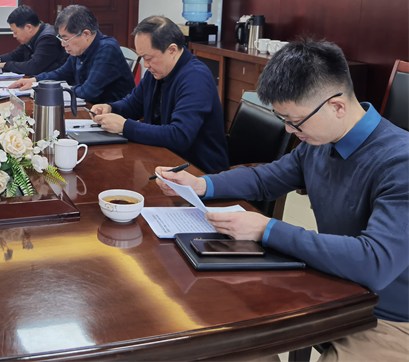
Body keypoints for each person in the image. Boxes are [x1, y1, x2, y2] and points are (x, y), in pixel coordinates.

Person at [155, 40, 409, 361]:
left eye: (295, 121)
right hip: (333, 285)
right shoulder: (320, 142)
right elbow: (266, 178)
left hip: (389, 316)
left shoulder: (400, 161)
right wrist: (201, 184)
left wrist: (267, 229)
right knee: (226, 336)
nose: (290, 130)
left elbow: (375, 263)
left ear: (337, 106)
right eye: (284, 120)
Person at [92, 16, 228, 173]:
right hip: (162, 160)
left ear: (172, 50)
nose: (146, 65)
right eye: (142, 58)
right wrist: (111, 108)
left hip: (198, 172)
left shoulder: (196, 78)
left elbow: (179, 136)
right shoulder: (157, 71)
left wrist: (125, 126)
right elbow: (133, 104)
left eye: (148, 58)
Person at [8, 5, 135, 104]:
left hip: (112, 116)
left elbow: (88, 92)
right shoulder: (80, 48)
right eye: (61, 38)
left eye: (66, 39)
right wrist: (33, 81)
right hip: (89, 108)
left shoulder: (107, 49)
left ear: (86, 34)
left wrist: (59, 89)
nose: (63, 44)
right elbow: (62, 73)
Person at [0, 5, 68, 75]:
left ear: (29, 27)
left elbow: (33, 67)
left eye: (15, 32)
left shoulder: (48, 39)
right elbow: (15, 56)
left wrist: (5, 65)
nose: (14, 36)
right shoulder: (32, 37)